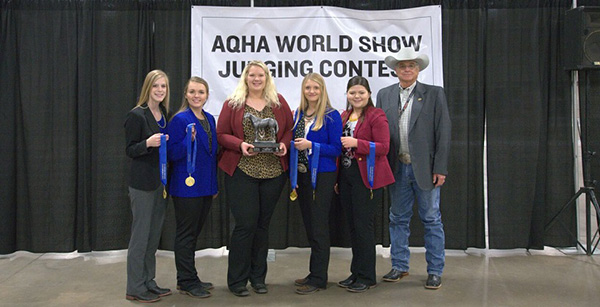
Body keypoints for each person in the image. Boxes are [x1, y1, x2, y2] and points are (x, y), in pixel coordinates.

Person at [216, 60, 293, 297]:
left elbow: (290, 129)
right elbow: (221, 134)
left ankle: (258, 278)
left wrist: (284, 145)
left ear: (267, 77)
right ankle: (237, 280)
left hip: (273, 173)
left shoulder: (278, 102)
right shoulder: (233, 103)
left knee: (262, 226)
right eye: (252, 75)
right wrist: (240, 144)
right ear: (246, 78)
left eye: (261, 75)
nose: (256, 79)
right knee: (245, 225)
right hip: (242, 172)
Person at [376, 47, 451, 290]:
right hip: (396, 166)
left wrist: (440, 167)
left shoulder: (434, 94)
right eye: (402, 65)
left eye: (411, 65)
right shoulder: (384, 95)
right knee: (397, 218)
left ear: (418, 69)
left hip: (426, 169)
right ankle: (399, 265)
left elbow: (444, 133)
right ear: (396, 70)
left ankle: (435, 270)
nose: (407, 69)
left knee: (431, 219)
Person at [337, 76, 394, 293]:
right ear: (347, 95)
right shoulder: (344, 116)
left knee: (364, 227)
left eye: (361, 92)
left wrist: (357, 143)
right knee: (353, 227)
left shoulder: (376, 115)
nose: (356, 96)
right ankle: (356, 272)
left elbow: (383, 147)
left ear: (369, 94)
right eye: (352, 92)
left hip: (367, 179)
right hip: (347, 177)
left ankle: (368, 276)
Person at [291, 73, 342, 295]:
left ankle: (319, 278)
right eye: (308, 88)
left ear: (322, 90)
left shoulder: (332, 116)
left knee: (319, 226)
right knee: (311, 226)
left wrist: (312, 144)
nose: (311, 92)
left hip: (322, 176)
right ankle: (314, 272)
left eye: (316, 88)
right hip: (302, 177)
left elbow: (336, 150)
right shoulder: (299, 114)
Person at [124, 69, 171, 303]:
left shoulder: (163, 114)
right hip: (142, 185)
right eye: (156, 86)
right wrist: (147, 143)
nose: (160, 90)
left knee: (153, 238)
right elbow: (130, 149)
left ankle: (148, 281)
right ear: (148, 88)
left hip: (160, 184)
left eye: (163, 86)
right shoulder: (137, 115)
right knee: (140, 238)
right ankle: (134, 287)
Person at [167, 77, 217, 299]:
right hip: (186, 187)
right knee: (186, 235)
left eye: (201, 92)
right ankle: (186, 281)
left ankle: (191, 277)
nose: (197, 96)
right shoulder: (179, 120)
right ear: (186, 95)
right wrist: (188, 141)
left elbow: (212, 155)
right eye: (193, 92)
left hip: (205, 187)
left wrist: (213, 185)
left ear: (207, 95)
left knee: (194, 234)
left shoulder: (210, 119)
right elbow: (171, 154)